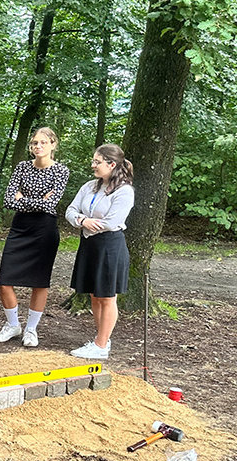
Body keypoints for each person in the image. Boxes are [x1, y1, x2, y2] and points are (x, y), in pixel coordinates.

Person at [0, 127, 71, 347]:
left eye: (43, 142)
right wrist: (37, 201)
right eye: (35, 143)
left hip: (44, 230)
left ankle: (31, 329)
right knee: (5, 280)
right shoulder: (22, 167)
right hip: (20, 228)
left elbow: (51, 204)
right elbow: (8, 200)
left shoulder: (61, 171)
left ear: (53, 145)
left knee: (40, 282)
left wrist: (23, 199)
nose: (38, 146)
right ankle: (13, 325)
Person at [64, 143, 135, 360]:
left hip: (109, 246)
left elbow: (112, 221)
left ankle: (101, 345)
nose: (93, 165)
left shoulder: (124, 191)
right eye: (93, 161)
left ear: (111, 164)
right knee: (94, 295)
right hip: (89, 244)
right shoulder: (89, 186)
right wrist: (82, 220)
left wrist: (88, 223)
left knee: (107, 296)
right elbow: (70, 210)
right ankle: (101, 339)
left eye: (97, 161)